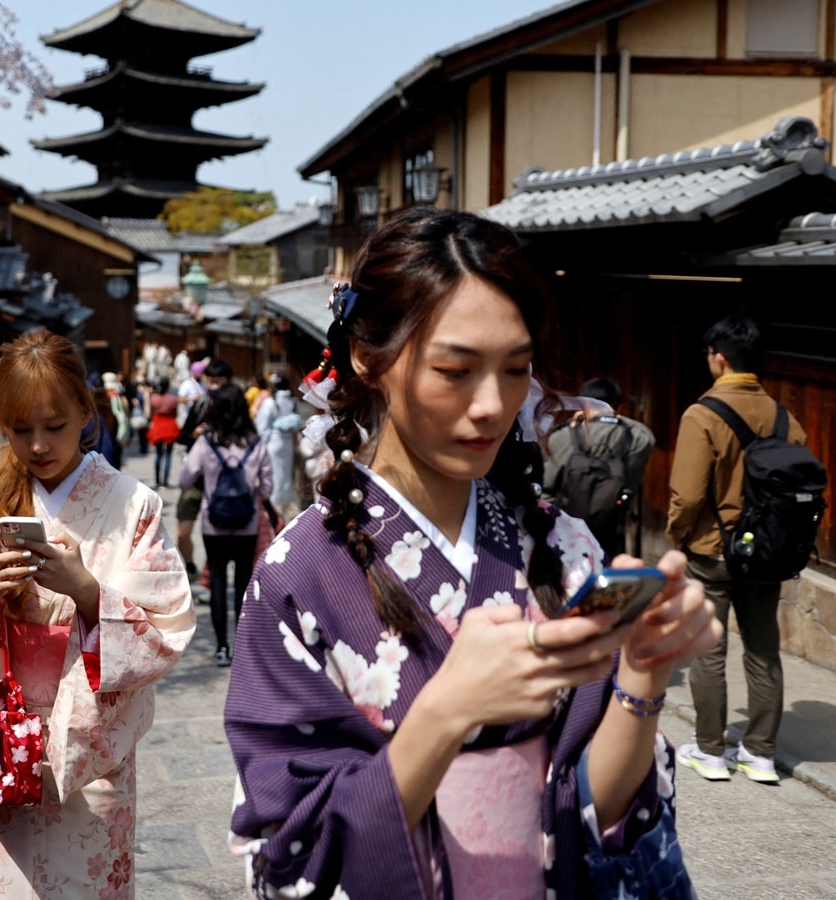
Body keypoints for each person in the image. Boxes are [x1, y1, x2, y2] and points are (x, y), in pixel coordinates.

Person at [224, 207, 720, 898]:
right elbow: (290, 856)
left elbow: (593, 816)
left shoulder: (560, 544)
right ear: (368, 358)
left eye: (516, 369)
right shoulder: (297, 577)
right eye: (455, 370)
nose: (492, 405)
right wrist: (445, 711)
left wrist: (642, 675)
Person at [0, 331, 195, 897]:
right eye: (21, 430)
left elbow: (167, 625)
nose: (38, 445)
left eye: (55, 426)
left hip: (90, 758)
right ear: (2, 424)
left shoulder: (131, 504)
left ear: (85, 412)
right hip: (1, 747)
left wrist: (88, 592)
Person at [668, 315, 807, 785]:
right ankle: (761, 754)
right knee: (763, 650)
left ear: (719, 357)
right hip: (766, 554)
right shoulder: (786, 418)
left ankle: (710, 752)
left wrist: (677, 537)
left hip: (713, 551)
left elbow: (687, 495)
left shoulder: (702, 414)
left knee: (709, 652)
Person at [180, 385, 272, 667]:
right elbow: (268, 488)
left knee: (218, 582)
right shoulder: (256, 443)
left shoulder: (206, 443)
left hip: (214, 523)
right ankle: (243, 646)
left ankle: (221, 648)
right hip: (247, 523)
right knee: (243, 583)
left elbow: (184, 480)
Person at [542, 377, 656, 557]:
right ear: (619, 408)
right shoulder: (636, 439)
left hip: (565, 531)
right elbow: (646, 435)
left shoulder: (562, 437)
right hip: (610, 530)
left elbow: (547, 487)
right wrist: (611, 417)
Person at [175, 358, 233, 595]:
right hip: (194, 474)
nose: (214, 386)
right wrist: (196, 434)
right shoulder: (201, 404)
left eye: (218, 382)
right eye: (211, 381)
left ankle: (211, 581)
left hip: (220, 479)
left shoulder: (233, 408)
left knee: (214, 534)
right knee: (183, 531)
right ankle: (190, 568)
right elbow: (182, 436)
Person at [253, 370, 302, 526]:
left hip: (273, 442)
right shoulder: (293, 401)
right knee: (286, 476)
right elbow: (298, 423)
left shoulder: (270, 401)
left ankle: (273, 509)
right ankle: (285, 506)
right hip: (288, 443)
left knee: (273, 475)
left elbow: (260, 427)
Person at [146, 379, 181, 487]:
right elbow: (176, 413)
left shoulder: (154, 398)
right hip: (170, 425)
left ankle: (157, 480)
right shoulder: (173, 399)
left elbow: (149, 413)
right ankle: (165, 481)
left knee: (158, 454)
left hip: (158, 424)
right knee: (168, 455)